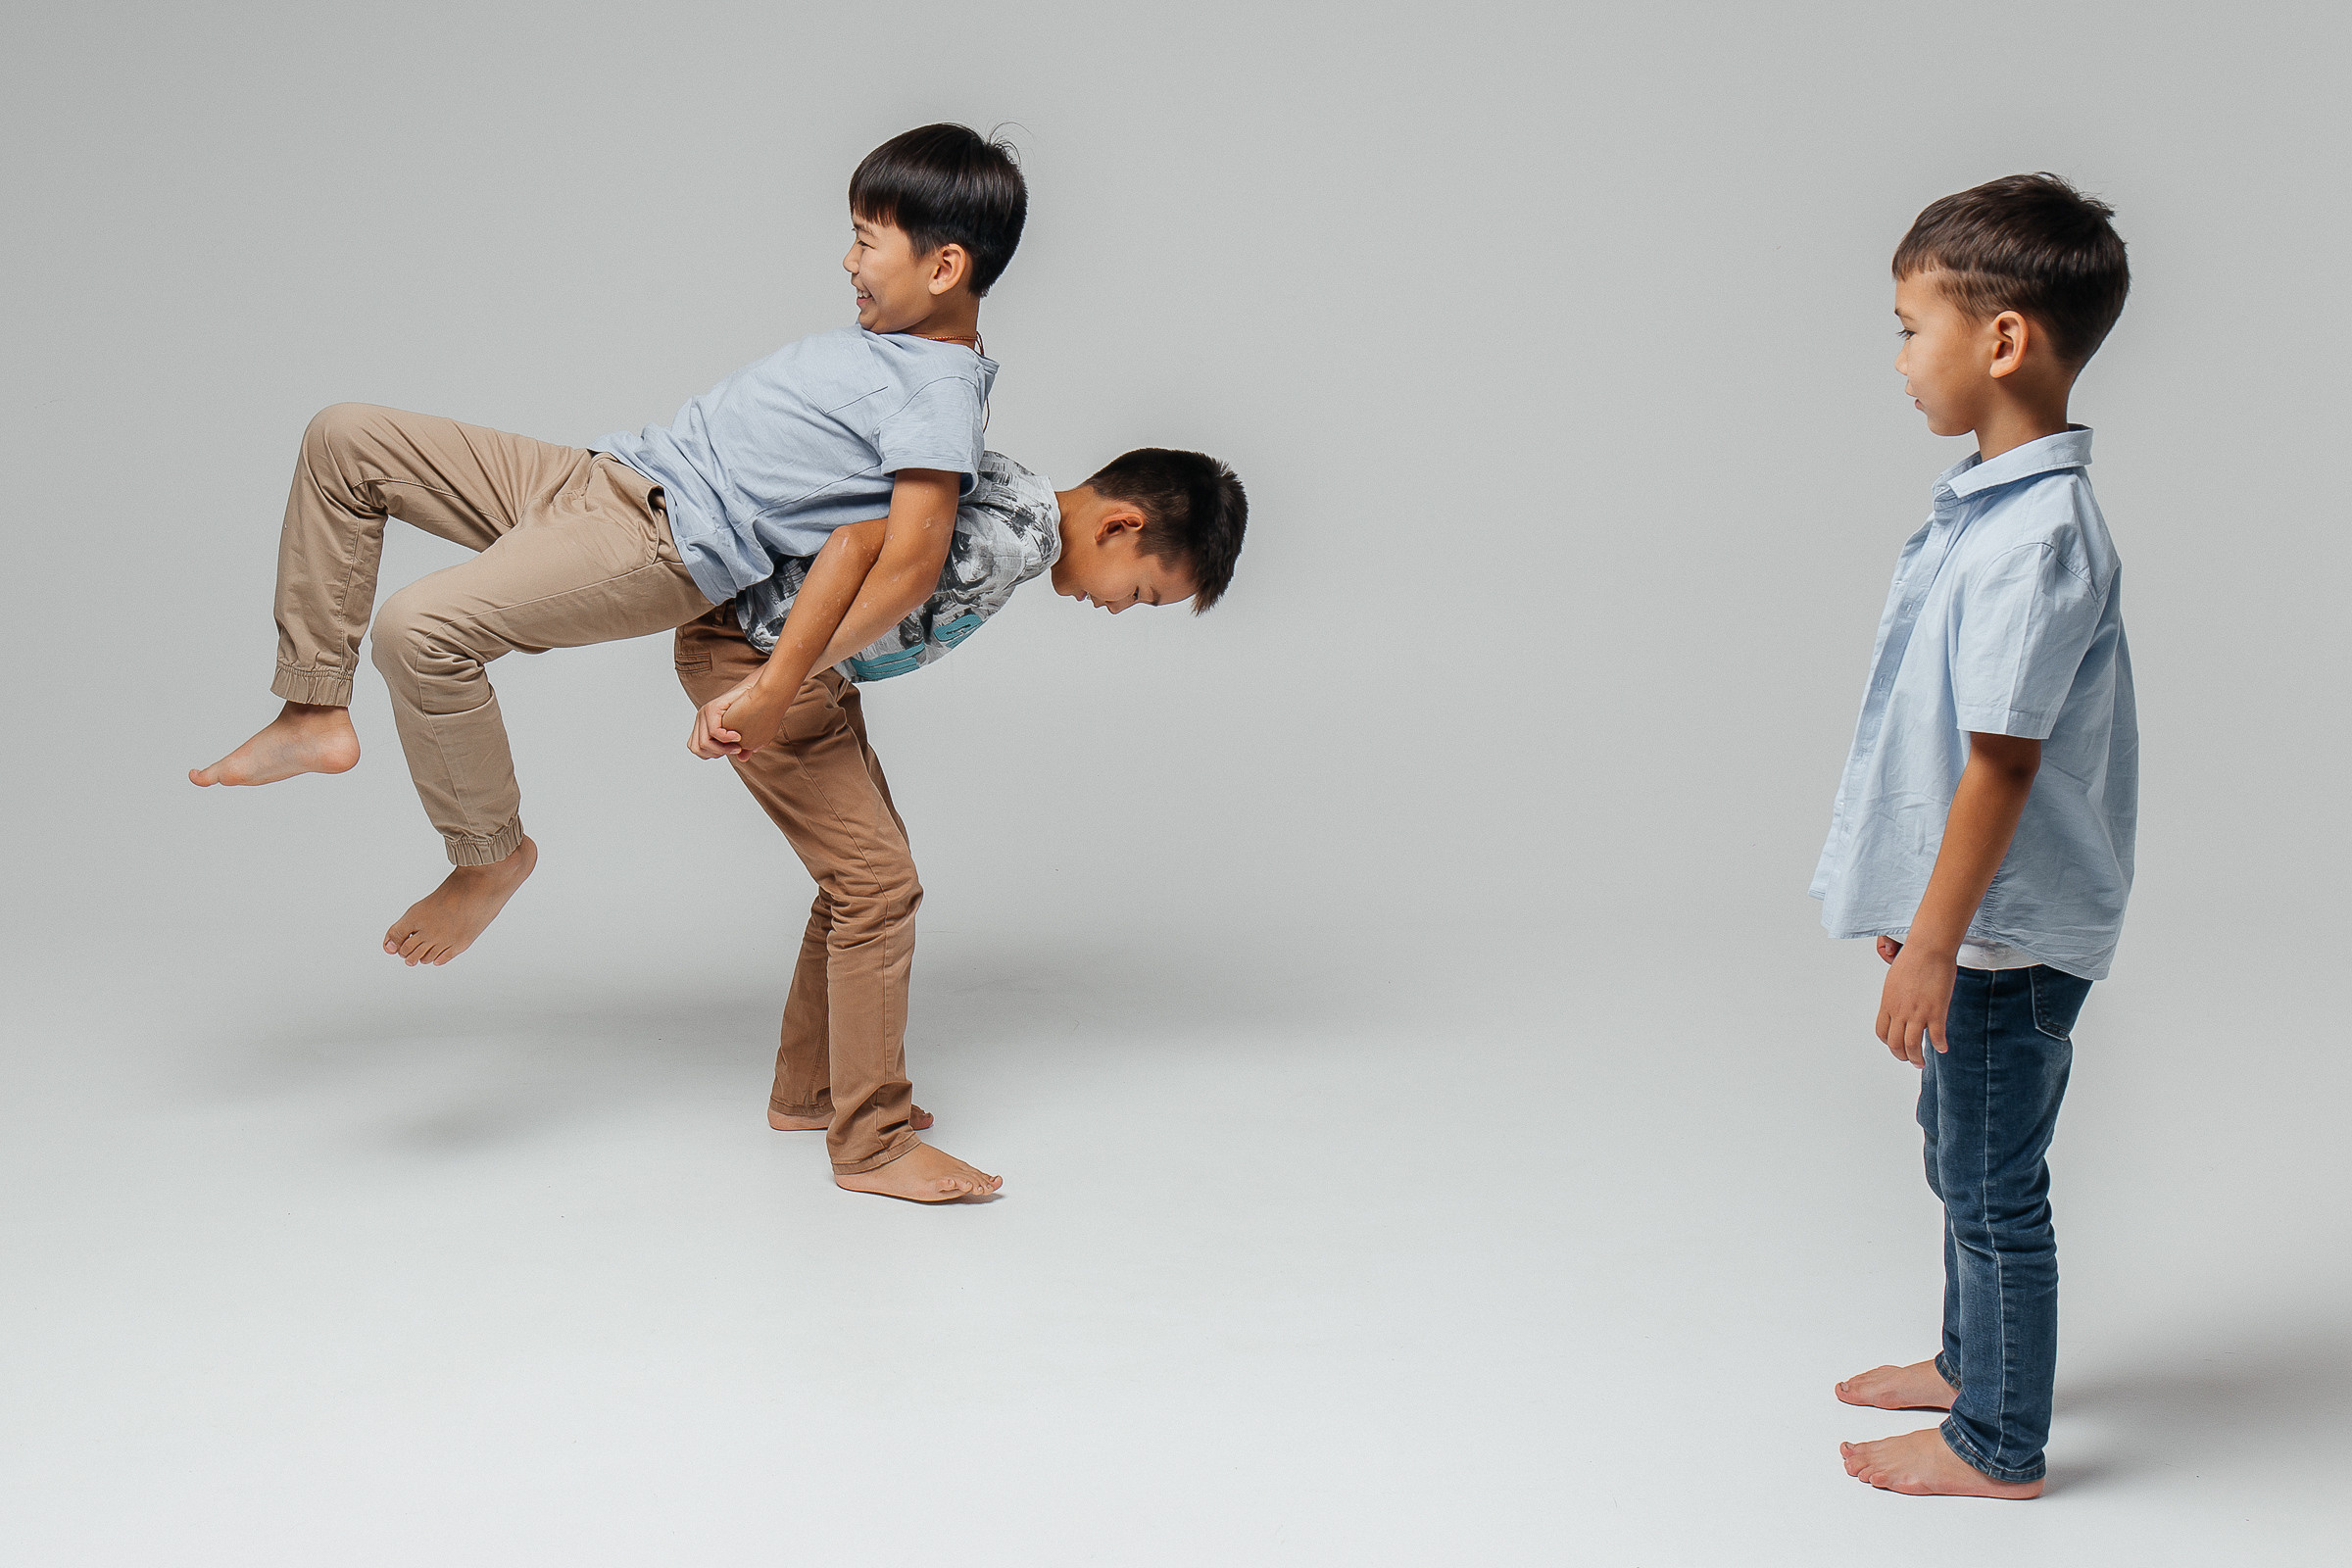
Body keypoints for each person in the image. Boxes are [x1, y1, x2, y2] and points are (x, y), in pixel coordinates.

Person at [189, 122, 1024, 968]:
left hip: (660, 542)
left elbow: (914, 565)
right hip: (602, 477)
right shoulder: (897, 348)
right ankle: (313, 707)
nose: (848, 262)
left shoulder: (940, 391)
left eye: (864, 241)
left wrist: (780, 684)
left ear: (944, 267)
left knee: (419, 629)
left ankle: (488, 858)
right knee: (345, 439)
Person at [676, 446, 1248, 1201]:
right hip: (759, 662)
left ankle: (812, 1088)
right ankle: (872, 1144)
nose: (1118, 609)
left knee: (861, 880)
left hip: (800, 669)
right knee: (876, 887)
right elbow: (851, 546)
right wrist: (770, 687)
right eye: (1141, 592)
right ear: (1120, 525)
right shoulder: (1016, 539)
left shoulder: (1013, 488)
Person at [1814, 173, 2136, 1497]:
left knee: (1997, 1183)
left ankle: (1999, 1441)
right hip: (1971, 919)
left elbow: (2001, 765)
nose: (1898, 362)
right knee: (1961, 1153)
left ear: (2002, 339)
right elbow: (1942, 741)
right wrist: (1914, 900)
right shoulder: (1985, 507)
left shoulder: (2038, 537)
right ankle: (1972, 1364)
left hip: (2002, 934)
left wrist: (1935, 944)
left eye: (1907, 327)